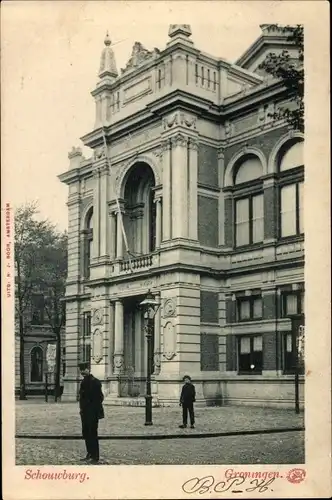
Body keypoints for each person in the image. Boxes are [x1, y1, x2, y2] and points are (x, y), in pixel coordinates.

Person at [78, 362, 104, 464]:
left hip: (92, 413)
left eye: (84, 369)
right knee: (86, 433)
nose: (82, 372)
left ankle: (95, 456)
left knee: (93, 433)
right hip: (84, 412)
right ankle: (89, 453)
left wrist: (92, 408)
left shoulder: (96, 382)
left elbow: (100, 398)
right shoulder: (83, 382)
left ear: (88, 369)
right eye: (81, 370)